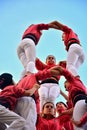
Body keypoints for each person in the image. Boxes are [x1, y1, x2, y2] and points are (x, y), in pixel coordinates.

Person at [51, 65, 87, 130]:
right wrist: (63, 112)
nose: (66, 89)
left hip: (80, 101)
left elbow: (62, 70)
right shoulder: (77, 88)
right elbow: (74, 108)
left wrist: (48, 71)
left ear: (68, 81)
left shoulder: (73, 81)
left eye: (65, 86)